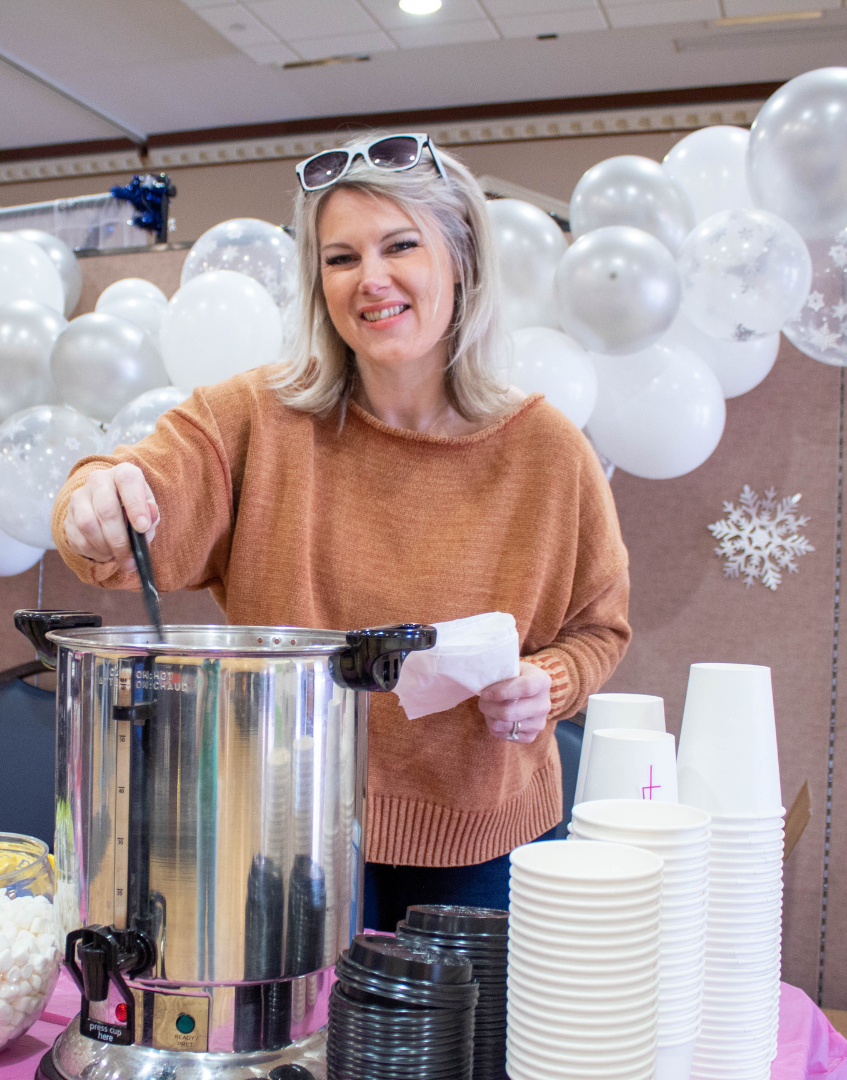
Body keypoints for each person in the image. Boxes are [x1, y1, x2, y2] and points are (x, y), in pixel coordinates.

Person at [52, 133, 630, 929]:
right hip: (288, 833)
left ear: (460, 259)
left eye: (401, 246)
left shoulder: (548, 451)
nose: (372, 280)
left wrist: (550, 685)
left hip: (483, 837)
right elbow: (138, 491)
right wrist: (95, 498)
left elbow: (598, 628)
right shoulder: (256, 418)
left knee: (463, 1054)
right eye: (340, 258)